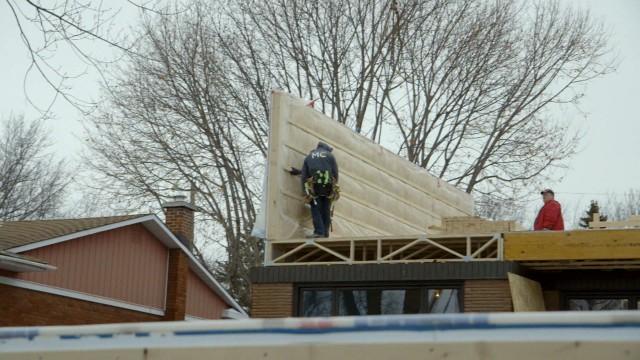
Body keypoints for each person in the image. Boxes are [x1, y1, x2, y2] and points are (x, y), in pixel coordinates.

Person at [301, 141, 339, 238]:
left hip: (315, 186)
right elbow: (335, 172)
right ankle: (325, 233)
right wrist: (334, 187)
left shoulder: (309, 157)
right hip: (328, 186)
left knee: (315, 208)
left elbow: (305, 175)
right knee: (326, 209)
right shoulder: (330, 156)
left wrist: (305, 191)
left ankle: (319, 232)